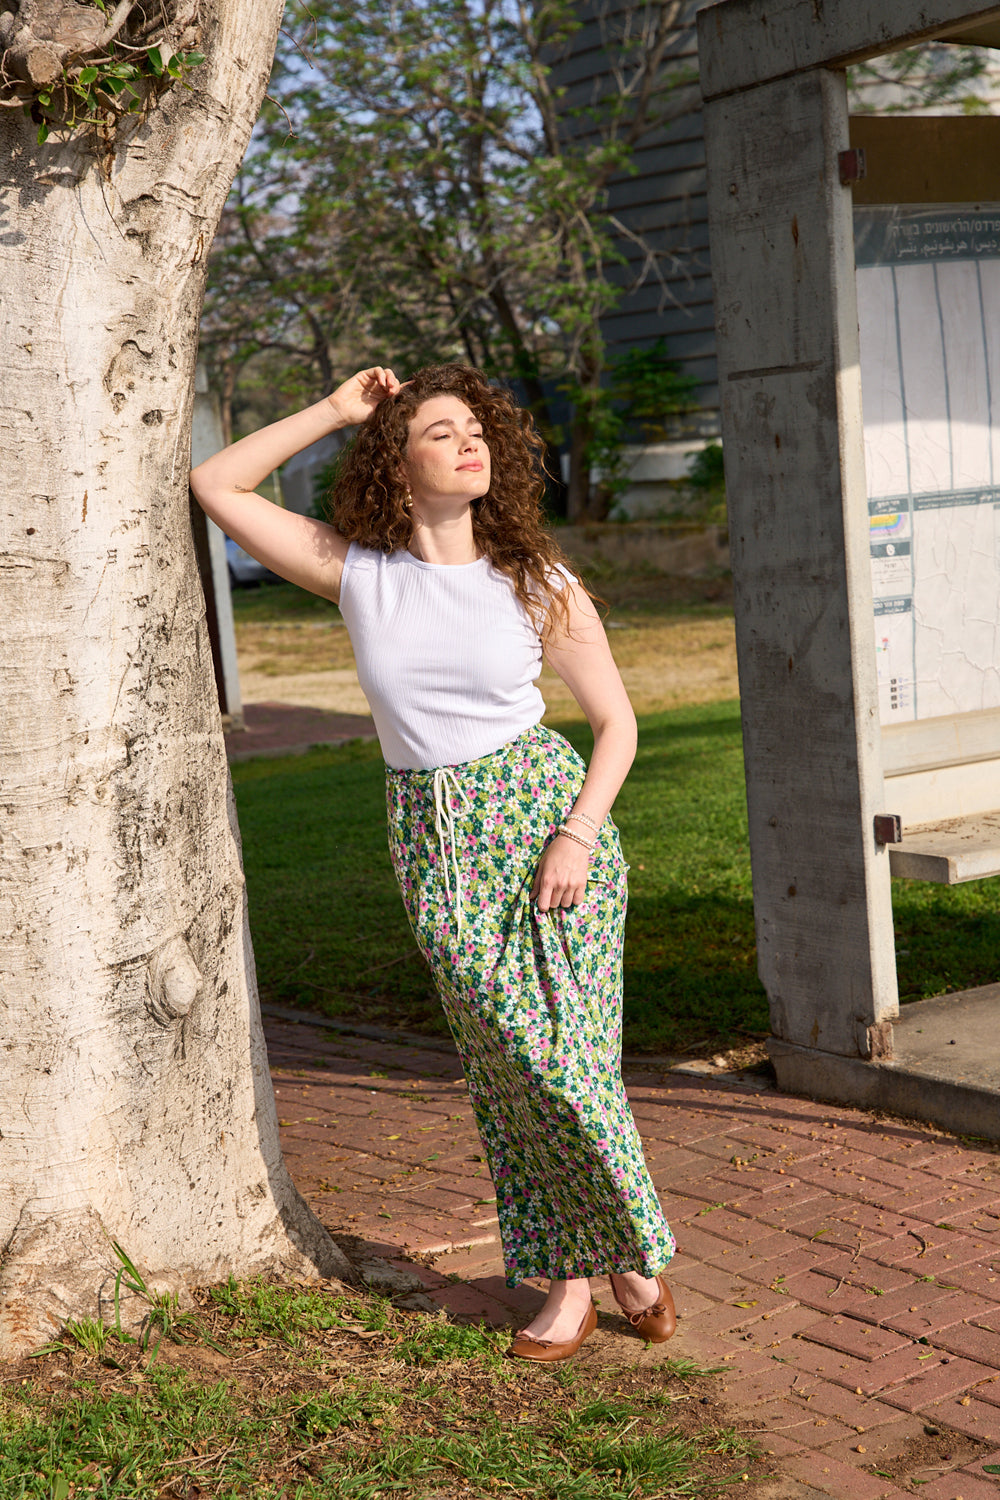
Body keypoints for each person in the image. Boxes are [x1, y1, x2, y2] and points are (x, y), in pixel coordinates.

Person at [190, 363, 676, 1361]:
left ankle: (600, 1272)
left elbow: (615, 722)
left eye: (478, 430)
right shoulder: (360, 573)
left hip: (548, 825)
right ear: (399, 465)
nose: (470, 443)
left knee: (568, 1067)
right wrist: (334, 410)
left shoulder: (534, 579)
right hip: (435, 840)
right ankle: (598, 1265)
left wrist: (576, 833)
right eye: (440, 431)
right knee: (507, 1068)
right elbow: (217, 486)